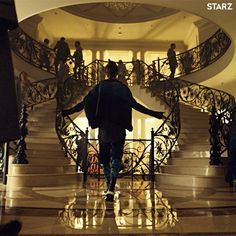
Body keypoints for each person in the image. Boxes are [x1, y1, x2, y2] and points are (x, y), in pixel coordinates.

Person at [61, 60, 164, 202]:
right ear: (117, 73)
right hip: (119, 128)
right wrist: (155, 114)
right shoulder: (123, 88)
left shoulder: (99, 87)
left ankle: (109, 187)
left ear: (106, 72)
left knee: (104, 159)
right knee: (116, 157)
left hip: (104, 129)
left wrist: (68, 112)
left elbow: (85, 103)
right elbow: (136, 105)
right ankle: (111, 187)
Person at [225, 105, 236, 186]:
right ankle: (230, 176)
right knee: (232, 157)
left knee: (232, 157)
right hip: (233, 135)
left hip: (233, 135)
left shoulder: (233, 109)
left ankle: (230, 176)